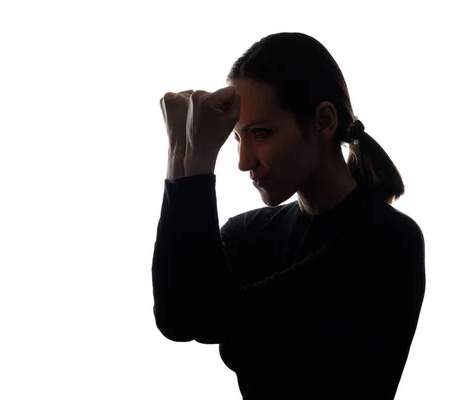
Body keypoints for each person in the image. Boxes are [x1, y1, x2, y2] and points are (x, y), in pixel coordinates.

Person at [152, 32, 426, 400]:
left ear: (323, 121)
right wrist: (177, 155)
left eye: (261, 133)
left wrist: (197, 161)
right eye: (237, 138)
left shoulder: (387, 241)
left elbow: (213, 314)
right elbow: (177, 318)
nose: (244, 161)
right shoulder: (248, 232)